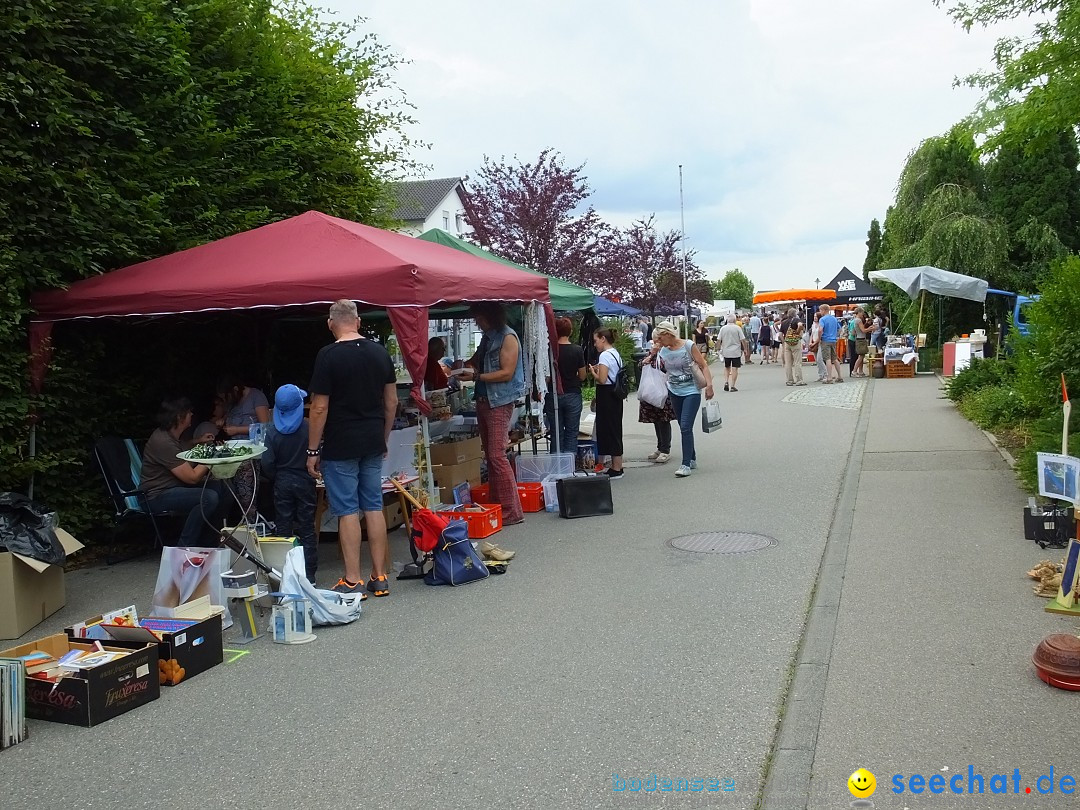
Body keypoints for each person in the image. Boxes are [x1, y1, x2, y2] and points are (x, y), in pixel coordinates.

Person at [306, 299, 398, 598]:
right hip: (372, 439)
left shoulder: (328, 355)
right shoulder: (380, 352)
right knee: (373, 505)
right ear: (357, 321)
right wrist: (383, 436)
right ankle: (380, 576)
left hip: (341, 441)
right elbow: (392, 402)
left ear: (330, 324)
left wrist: (312, 450)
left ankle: (353, 580)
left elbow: (319, 407)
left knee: (347, 510)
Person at [460, 302, 527, 522]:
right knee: (491, 456)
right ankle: (499, 504)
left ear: (489, 316)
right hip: (485, 399)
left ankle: (512, 510)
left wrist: (475, 377)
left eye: (479, 318)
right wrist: (463, 367)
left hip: (499, 401)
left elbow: (506, 373)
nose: (477, 322)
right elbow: (477, 361)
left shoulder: (507, 337)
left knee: (497, 455)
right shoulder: (489, 337)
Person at [141, 398, 228, 547]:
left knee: (222, 488)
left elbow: (180, 450)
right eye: (188, 412)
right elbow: (192, 478)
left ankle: (209, 542)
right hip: (156, 495)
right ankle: (184, 547)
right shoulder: (163, 441)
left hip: (173, 487)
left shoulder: (170, 435)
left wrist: (198, 441)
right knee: (208, 497)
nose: (192, 414)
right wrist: (212, 456)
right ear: (179, 417)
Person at [261, 384, 318, 584]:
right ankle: (310, 575)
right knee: (307, 527)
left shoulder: (271, 431)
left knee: (284, 527)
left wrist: (275, 477)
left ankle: (286, 573)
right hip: (305, 479)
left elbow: (267, 462)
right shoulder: (309, 427)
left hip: (282, 480)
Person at [654, 321, 714, 477]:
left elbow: (703, 365)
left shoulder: (688, 345)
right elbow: (661, 370)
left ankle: (685, 464)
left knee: (685, 427)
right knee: (683, 426)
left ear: (668, 334)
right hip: (674, 391)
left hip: (691, 390)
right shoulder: (663, 351)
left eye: (660, 338)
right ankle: (692, 457)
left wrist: (709, 385)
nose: (659, 342)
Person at [215, 376, 270, 521]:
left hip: (249, 451)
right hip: (231, 450)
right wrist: (223, 422)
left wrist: (237, 430)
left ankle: (250, 523)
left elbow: (265, 426)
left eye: (226, 396)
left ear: (235, 389)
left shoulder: (256, 397)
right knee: (227, 490)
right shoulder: (232, 401)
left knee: (247, 493)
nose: (226, 400)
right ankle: (229, 524)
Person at [588, 327, 626, 479]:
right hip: (614, 394)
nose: (595, 344)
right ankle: (617, 464)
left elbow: (602, 379)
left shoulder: (604, 355)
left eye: (596, 340)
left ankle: (616, 468)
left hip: (606, 393)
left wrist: (593, 372)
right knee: (615, 428)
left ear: (603, 339)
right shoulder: (615, 353)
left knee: (609, 428)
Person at [546, 316, 586, 457]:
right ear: (570, 331)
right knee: (572, 431)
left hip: (553, 394)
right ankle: (569, 466)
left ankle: (556, 464)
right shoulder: (577, 350)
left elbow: (547, 377)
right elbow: (582, 376)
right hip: (573, 394)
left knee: (556, 431)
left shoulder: (550, 350)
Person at [638, 336, 675, 464]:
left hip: (662, 391)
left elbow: (667, 368)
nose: (655, 343)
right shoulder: (651, 353)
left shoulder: (667, 353)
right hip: (650, 392)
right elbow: (640, 364)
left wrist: (655, 356)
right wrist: (651, 355)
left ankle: (666, 449)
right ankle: (660, 447)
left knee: (663, 420)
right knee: (655, 420)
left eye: (658, 340)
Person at [717, 313, 747, 391]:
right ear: (735, 320)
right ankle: (733, 385)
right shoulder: (737, 328)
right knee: (735, 368)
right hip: (736, 351)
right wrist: (745, 349)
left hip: (726, 351)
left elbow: (719, 340)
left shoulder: (723, 328)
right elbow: (742, 339)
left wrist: (718, 349)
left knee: (727, 367)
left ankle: (726, 381)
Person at [818, 304, 845, 384]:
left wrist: (819, 338)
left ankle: (829, 377)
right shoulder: (834, 319)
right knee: (835, 358)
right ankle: (840, 376)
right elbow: (840, 329)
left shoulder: (822, 319)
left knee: (827, 359)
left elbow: (820, 330)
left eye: (820, 310)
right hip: (833, 340)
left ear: (824, 310)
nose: (820, 312)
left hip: (825, 340)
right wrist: (836, 336)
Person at [781, 307, 806, 386]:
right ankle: (799, 380)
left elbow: (780, 334)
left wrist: (784, 341)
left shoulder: (784, 322)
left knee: (788, 363)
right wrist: (797, 334)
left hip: (787, 343)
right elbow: (800, 325)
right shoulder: (796, 320)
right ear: (795, 314)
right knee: (797, 362)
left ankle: (789, 380)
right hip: (795, 343)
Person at [809, 311, 827, 382]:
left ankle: (825, 374)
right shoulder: (813, 324)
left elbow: (820, 335)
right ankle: (820, 375)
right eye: (814, 316)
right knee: (816, 360)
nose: (815, 318)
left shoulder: (821, 324)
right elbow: (812, 334)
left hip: (819, 343)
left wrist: (814, 343)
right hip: (814, 342)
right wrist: (810, 342)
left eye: (816, 316)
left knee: (820, 359)